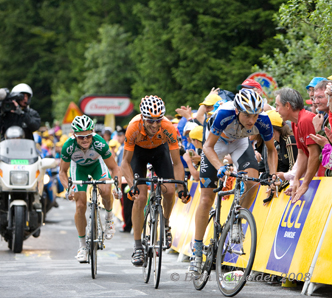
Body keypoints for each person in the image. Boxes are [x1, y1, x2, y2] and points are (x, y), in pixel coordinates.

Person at [189, 89, 278, 276]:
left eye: (255, 115)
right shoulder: (224, 113)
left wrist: (273, 175)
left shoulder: (263, 120)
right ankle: (197, 249)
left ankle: (236, 220)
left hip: (239, 143)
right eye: (247, 115)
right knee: (206, 199)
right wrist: (219, 166)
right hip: (216, 143)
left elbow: (271, 150)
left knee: (253, 180)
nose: (251, 120)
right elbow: (207, 146)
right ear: (237, 110)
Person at [120, 95, 190, 267]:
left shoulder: (168, 127)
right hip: (138, 153)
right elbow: (125, 163)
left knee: (169, 190)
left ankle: (165, 225)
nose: (155, 125)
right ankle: (137, 247)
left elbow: (177, 163)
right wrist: (132, 186)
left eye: (158, 120)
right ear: (143, 118)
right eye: (150, 120)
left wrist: (181, 186)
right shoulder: (133, 127)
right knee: (140, 197)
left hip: (160, 152)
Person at [59, 115, 122, 263]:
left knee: (105, 190)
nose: (85, 140)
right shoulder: (68, 146)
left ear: (92, 132)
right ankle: (82, 247)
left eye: (88, 136)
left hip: (97, 166)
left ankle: (109, 217)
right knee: (80, 204)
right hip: (78, 168)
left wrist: (116, 186)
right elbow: (62, 172)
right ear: (74, 135)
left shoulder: (100, 143)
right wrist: (68, 189)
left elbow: (114, 168)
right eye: (81, 137)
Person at [275, 87, 321, 203]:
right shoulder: (296, 123)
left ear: (287, 106)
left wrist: (305, 184)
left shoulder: (305, 120)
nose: (276, 110)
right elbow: (302, 154)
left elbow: (314, 155)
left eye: (277, 106)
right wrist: (296, 180)